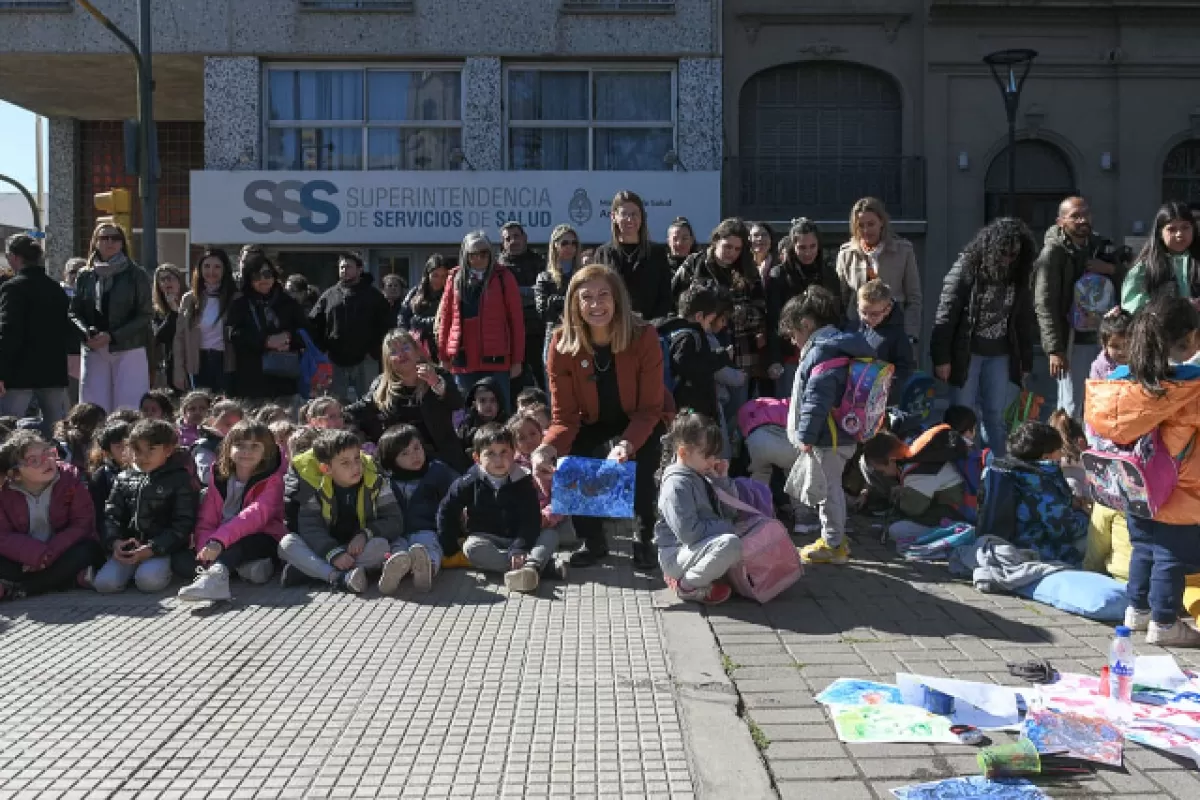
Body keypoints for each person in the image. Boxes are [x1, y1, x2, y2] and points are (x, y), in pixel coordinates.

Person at [1087, 296, 1200, 645]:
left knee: (1144, 548)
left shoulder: (1119, 380)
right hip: (1178, 485)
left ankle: (1137, 612)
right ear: (1191, 337)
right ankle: (1165, 623)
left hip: (1131, 483)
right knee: (1171, 555)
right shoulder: (1189, 384)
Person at [542, 265, 668, 569]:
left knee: (642, 459)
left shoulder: (644, 335)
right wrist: (544, 449)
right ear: (575, 303)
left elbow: (650, 409)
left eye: (603, 296)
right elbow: (564, 418)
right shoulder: (560, 343)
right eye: (587, 298)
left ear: (617, 299)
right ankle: (593, 541)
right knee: (574, 456)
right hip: (591, 417)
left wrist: (625, 445)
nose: (596, 305)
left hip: (639, 414)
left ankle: (644, 536)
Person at [779, 286, 876, 566]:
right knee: (830, 487)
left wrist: (806, 435)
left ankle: (833, 543)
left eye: (794, 333)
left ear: (806, 324)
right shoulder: (842, 344)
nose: (794, 341)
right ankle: (835, 538)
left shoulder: (821, 351)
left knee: (828, 491)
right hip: (842, 432)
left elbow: (817, 398)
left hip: (828, 436)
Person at [931, 218, 1038, 456]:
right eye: (1004, 253)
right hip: (966, 353)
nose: (1008, 259)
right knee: (962, 414)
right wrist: (941, 358)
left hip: (1001, 354)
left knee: (995, 415)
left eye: (1014, 254)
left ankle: (998, 468)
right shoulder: (965, 269)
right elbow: (946, 315)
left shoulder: (1018, 275)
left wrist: (1025, 363)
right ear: (990, 249)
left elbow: (1023, 323)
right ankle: (963, 467)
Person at [173, 420, 285, 603]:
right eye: (239, 445)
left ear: (267, 451)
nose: (246, 452)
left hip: (261, 536)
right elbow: (206, 520)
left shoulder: (273, 480)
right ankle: (239, 570)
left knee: (237, 544)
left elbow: (254, 516)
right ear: (228, 447)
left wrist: (219, 541)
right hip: (222, 539)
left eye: (254, 446)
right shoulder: (219, 477)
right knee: (181, 561)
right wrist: (206, 548)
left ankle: (216, 580)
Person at [279, 430, 403, 594]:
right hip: (326, 549)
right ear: (326, 468)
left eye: (357, 458)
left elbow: (394, 520)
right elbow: (310, 527)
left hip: (359, 548)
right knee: (287, 544)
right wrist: (333, 554)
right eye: (345, 463)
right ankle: (338, 578)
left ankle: (312, 572)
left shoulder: (375, 481)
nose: (355, 467)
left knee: (381, 546)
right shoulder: (314, 486)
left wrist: (365, 534)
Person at [437, 424, 551, 593]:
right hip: (486, 537)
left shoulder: (523, 480)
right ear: (477, 458)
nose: (498, 460)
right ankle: (534, 568)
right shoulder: (468, 482)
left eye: (504, 452)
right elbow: (447, 509)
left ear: (513, 453)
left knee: (550, 535)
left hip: (518, 537)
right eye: (490, 453)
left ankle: (530, 567)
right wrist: (449, 546)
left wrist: (520, 546)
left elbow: (531, 519)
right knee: (471, 548)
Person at [1034, 196, 1118, 417]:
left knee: (1102, 402)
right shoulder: (1053, 253)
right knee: (1072, 404)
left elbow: (1125, 279)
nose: (1082, 220)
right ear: (1061, 221)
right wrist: (1054, 349)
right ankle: (1068, 450)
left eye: (1086, 214)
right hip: (1072, 341)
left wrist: (1109, 269)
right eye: (1075, 216)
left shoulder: (1101, 246)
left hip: (1104, 339)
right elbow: (1044, 303)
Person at [95, 419, 199, 594]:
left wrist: (153, 548)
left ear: (168, 450)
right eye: (137, 450)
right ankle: (130, 569)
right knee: (105, 585)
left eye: (151, 450)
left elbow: (183, 524)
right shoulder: (123, 478)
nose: (142, 457)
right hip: (130, 548)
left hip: (161, 548)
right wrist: (115, 542)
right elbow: (111, 514)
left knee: (148, 582)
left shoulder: (180, 479)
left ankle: (169, 570)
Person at [673, 218, 771, 403]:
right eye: (727, 247)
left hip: (740, 348)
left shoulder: (748, 270)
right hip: (701, 346)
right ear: (716, 240)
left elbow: (760, 309)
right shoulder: (694, 263)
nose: (732, 253)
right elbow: (676, 300)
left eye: (737, 249)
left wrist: (732, 313)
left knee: (737, 409)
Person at [0, 431, 105, 600]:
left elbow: (82, 524)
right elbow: (2, 535)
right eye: (33, 460)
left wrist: (49, 553)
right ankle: (66, 580)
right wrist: (32, 554)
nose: (46, 462)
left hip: (60, 550)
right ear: (15, 474)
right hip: (23, 555)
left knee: (86, 551)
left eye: (48, 453)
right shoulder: (4, 491)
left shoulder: (70, 479)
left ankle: (23, 588)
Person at [345, 329, 467, 472]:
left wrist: (436, 383)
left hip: (441, 457)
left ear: (417, 351)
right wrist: (335, 412)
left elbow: (458, 403)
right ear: (388, 361)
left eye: (406, 347)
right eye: (394, 352)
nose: (401, 354)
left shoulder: (438, 374)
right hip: (400, 460)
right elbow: (360, 409)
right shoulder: (381, 385)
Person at [654, 413, 741, 605]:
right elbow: (689, 534)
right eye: (707, 455)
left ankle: (701, 577)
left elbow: (731, 512)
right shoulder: (676, 485)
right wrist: (728, 527)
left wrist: (722, 480)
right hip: (675, 554)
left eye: (716, 455)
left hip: (696, 547)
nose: (713, 461)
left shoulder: (700, 471)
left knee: (740, 540)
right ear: (684, 453)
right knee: (731, 544)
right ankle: (687, 586)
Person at [70, 223, 153, 414]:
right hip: (94, 348)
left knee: (128, 407)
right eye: (104, 238)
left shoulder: (136, 274)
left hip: (128, 348)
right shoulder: (85, 275)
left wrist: (113, 336)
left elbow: (145, 315)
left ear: (123, 243)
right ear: (95, 242)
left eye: (115, 238)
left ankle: (128, 444)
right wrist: (86, 332)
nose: (110, 242)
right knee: (92, 408)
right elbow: (74, 312)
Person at [437, 231, 524, 411]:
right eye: (473, 254)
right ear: (465, 255)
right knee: (464, 412)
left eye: (483, 253)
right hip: (463, 357)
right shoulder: (454, 277)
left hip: (495, 357)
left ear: (490, 253)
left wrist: (517, 360)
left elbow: (516, 320)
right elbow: (445, 319)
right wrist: (443, 357)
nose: (478, 258)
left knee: (499, 410)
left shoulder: (503, 277)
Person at [982, 421, 1086, 565]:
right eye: (1058, 450)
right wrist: (1086, 515)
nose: (1062, 454)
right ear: (1046, 456)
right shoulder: (1041, 482)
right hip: (1033, 550)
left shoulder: (1004, 469)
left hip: (1001, 541)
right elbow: (1064, 530)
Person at [0, 234, 73, 434]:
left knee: (7, 429)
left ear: (14, 257)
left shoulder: (12, 288)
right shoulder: (56, 289)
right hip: (52, 371)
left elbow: (8, 331)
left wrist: (1, 371)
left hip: (19, 372)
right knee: (55, 431)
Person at [376, 424, 458, 592]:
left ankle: (428, 569)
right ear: (392, 459)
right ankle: (395, 570)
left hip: (427, 528)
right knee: (396, 549)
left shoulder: (437, 471)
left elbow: (456, 494)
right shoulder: (386, 481)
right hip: (398, 531)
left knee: (429, 546)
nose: (415, 456)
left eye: (416, 448)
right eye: (405, 453)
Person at [766, 219, 842, 397]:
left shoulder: (828, 274)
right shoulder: (779, 275)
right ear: (793, 246)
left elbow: (837, 314)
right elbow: (772, 319)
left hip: (823, 353)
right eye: (802, 247)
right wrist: (774, 359)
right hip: (790, 353)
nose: (808, 252)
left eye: (812, 246)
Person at [308, 251, 393, 402]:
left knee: (371, 402)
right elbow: (314, 323)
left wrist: (375, 351)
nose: (344, 270)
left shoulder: (373, 296)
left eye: (348, 267)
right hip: (335, 361)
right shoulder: (330, 295)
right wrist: (323, 349)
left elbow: (387, 326)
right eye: (341, 267)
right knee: (333, 403)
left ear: (360, 270)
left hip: (366, 361)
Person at [836, 198, 922, 346]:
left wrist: (910, 334)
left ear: (881, 222)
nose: (866, 230)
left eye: (871, 224)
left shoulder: (903, 251)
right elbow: (840, 299)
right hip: (857, 332)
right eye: (860, 225)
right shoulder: (847, 254)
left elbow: (913, 297)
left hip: (894, 330)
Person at [227, 256, 308, 402]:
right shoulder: (241, 304)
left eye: (267, 274)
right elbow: (234, 335)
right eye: (256, 276)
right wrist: (266, 341)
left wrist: (288, 338)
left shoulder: (288, 302)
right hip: (252, 380)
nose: (263, 280)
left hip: (285, 380)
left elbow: (305, 333)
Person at [659, 283, 734, 427]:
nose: (710, 326)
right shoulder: (690, 336)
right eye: (710, 320)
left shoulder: (673, 330)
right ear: (699, 316)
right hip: (692, 409)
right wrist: (722, 356)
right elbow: (689, 365)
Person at [591, 191, 674, 321]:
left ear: (642, 217)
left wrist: (652, 325)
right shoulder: (603, 254)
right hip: (614, 327)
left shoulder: (656, 253)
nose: (630, 219)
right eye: (624, 214)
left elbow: (665, 296)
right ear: (614, 217)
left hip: (650, 328)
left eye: (634, 214)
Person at [173, 248, 237, 393]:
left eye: (217, 267)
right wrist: (179, 369)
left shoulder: (235, 298)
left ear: (225, 270)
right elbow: (180, 337)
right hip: (198, 362)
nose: (211, 272)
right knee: (202, 408)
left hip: (226, 363)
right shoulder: (189, 299)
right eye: (207, 266)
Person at [1121, 201, 1200, 314]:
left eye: (1185, 227)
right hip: (1160, 329)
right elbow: (1130, 303)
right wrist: (1175, 306)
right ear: (1160, 233)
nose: (1179, 234)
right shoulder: (1146, 266)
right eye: (1171, 229)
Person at [499, 222, 547, 390]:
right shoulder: (497, 268)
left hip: (537, 331)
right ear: (503, 243)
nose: (513, 241)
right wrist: (529, 293)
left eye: (516, 236)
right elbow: (500, 298)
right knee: (513, 383)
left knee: (543, 379)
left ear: (525, 237)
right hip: (508, 334)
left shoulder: (540, 262)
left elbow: (542, 293)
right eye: (508, 238)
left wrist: (516, 294)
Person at [854, 279, 915, 405]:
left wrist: (886, 384)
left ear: (887, 310)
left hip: (882, 400)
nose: (867, 318)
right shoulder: (856, 328)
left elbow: (905, 368)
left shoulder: (897, 336)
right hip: (856, 395)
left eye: (874, 314)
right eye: (863, 312)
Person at [534, 224, 580, 362]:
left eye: (573, 243)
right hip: (555, 334)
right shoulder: (545, 277)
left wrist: (558, 302)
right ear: (555, 245)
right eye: (564, 243)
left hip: (580, 335)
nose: (569, 247)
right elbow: (543, 312)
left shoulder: (583, 274)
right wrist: (568, 302)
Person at [400, 255, 449, 359]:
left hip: (441, 348)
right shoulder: (416, 292)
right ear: (428, 274)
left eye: (444, 276)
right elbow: (403, 318)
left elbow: (446, 322)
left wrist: (418, 322)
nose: (439, 280)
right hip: (417, 348)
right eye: (435, 275)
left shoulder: (450, 295)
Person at [87, 421, 131, 535]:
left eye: (129, 444)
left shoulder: (150, 469)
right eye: (119, 447)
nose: (126, 450)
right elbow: (99, 517)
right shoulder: (101, 477)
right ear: (108, 453)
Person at [192, 399, 245, 486]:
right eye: (228, 425)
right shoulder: (205, 446)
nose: (233, 430)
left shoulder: (244, 444)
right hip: (214, 494)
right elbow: (206, 477)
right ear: (212, 421)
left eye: (237, 425)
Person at [151, 264, 185, 391]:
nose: (167, 282)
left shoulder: (191, 302)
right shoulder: (157, 311)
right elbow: (160, 336)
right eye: (162, 279)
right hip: (171, 364)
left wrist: (177, 309)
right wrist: (172, 311)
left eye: (170, 278)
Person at [54, 402, 107, 473]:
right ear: (86, 421)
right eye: (100, 420)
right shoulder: (66, 443)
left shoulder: (95, 440)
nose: (104, 425)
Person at [1090, 309, 1132, 380]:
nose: (1121, 351)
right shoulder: (1099, 367)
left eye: (1127, 345)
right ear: (1104, 345)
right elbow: (1094, 389)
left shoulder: (1141, 364)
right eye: (1115, 346)